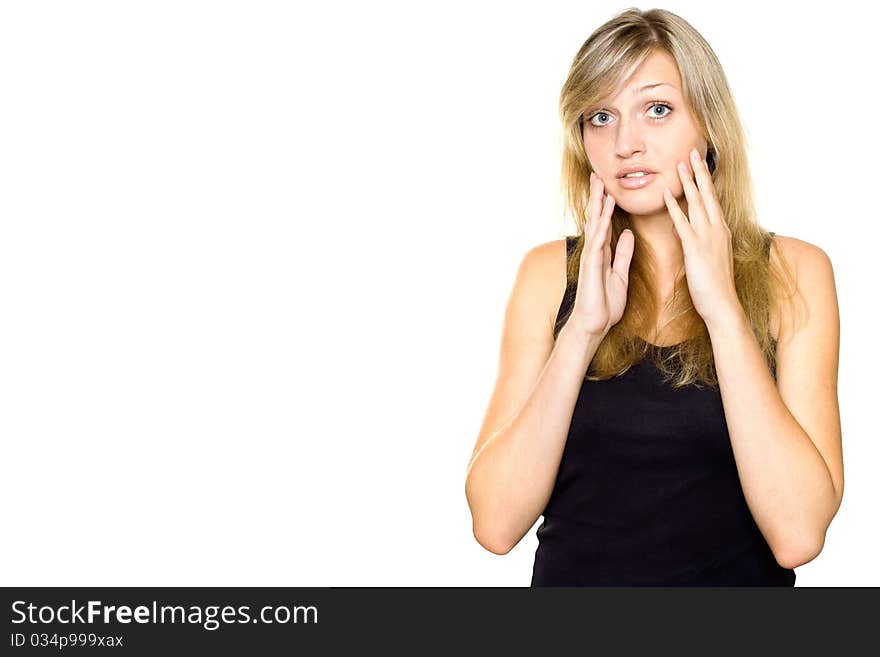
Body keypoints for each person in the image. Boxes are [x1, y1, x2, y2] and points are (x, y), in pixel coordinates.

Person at [464, 8, 843, 586]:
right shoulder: (547, 275)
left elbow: (798, 536)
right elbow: (494, 525)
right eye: (601, 116)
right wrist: (581, 332)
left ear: (708, 124)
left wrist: (724, 313)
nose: (625, 143)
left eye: (657, 109)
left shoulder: (795, 272)